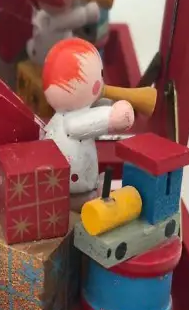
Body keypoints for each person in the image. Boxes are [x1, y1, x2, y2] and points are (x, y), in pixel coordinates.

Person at [42, 38, 134, 207]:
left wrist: (111, 103)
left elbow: (94, 110)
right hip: (73, 189)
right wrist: (115, 115)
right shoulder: (72, 122)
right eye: (100, 75)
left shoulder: (61, 117)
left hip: (64, 184)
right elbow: (95, 120)